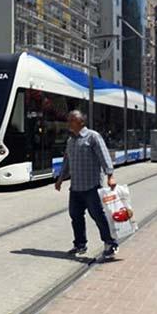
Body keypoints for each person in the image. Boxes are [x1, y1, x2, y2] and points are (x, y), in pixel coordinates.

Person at [55, 110, 118, 259]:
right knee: (75, 216)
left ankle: (110, 243)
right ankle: (80, 244)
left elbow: (104, 156)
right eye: (68, 120)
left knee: (97, 216)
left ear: (81, 122)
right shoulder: (71, 140)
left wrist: (110, 175)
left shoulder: (93, 136)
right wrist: (60, 179)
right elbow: (67, 161)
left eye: (71, 120)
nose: (68, 122)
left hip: (92, 186)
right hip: (75, 187)